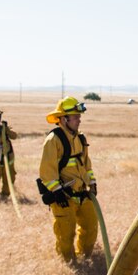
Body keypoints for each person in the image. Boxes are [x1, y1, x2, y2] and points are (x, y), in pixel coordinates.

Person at [39, 97, 99, 263]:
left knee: (91, 227)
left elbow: (86, 164)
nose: (79, 120)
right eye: (75, 117)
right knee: (66, 233)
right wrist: (57, 191)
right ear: (64, 119)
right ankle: (69, 263)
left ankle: (85, 258)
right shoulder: (53, 140)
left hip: (82, 193)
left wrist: (92, 183)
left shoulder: (80, 138)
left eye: (79, 116)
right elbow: (46, 171)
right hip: (63, 197)